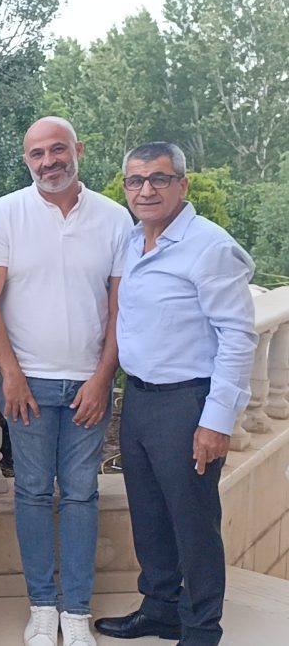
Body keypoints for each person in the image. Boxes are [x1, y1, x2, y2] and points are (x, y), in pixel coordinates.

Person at [0, 117, 133, 646]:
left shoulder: (114, 218)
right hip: (28, 386)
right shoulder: (5, 214)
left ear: (77, 149)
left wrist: (103, 377)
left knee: (82, 495)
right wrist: (11, 376)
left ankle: (76, 611)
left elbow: (120, 309)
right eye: (37, 154)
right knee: (34, 495)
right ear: (27, 160)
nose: (49, 162)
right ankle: (42, 606)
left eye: (58, 149)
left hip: (88, 384)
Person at [94, 142, 257, 646]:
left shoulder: (209, 247)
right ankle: (160, 609)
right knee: (149, 515)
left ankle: (202, 627)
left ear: (182, 185)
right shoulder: (133, 240)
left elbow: (238, 336)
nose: (146, 190)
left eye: (159, 179)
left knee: (193, 522)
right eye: (135, 180)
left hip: (188, 402)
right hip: (140, 398)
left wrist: (216, 420)